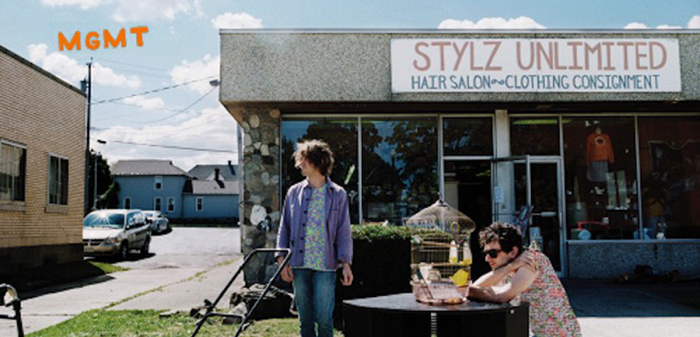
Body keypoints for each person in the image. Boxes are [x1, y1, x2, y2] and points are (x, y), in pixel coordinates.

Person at [276, 139, 354, 337]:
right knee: (305, 321)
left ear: (317, 162)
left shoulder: (338, 194)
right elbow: (284, 226)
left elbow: (344, 231)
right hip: (299, 265)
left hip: (325, 267)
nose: (299, 164)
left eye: (303, 160)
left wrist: (345, 263)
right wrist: (281, 259)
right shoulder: (294, 192)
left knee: (324, 321)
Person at [469, 222, 582, 337]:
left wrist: (468, 291)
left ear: (513, 252)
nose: (487, 258)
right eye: (485, 253)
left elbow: (502, 296)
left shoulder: (531, 260)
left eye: (492, 253)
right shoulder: (510, 266)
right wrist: (510, 267)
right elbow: (475, 287)